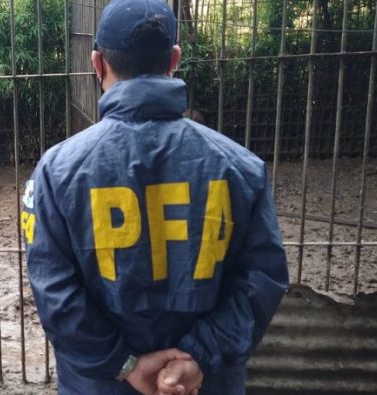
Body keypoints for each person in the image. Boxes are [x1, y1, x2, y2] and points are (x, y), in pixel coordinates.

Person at [20, 0, 289, 394]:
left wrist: (123, 365)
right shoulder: (242, 168)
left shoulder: (56, 171)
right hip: (204, 383)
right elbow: (263, 277)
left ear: (97, 64)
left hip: (100, 384)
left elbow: (54, 291)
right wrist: (198, 357)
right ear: (174, 60)